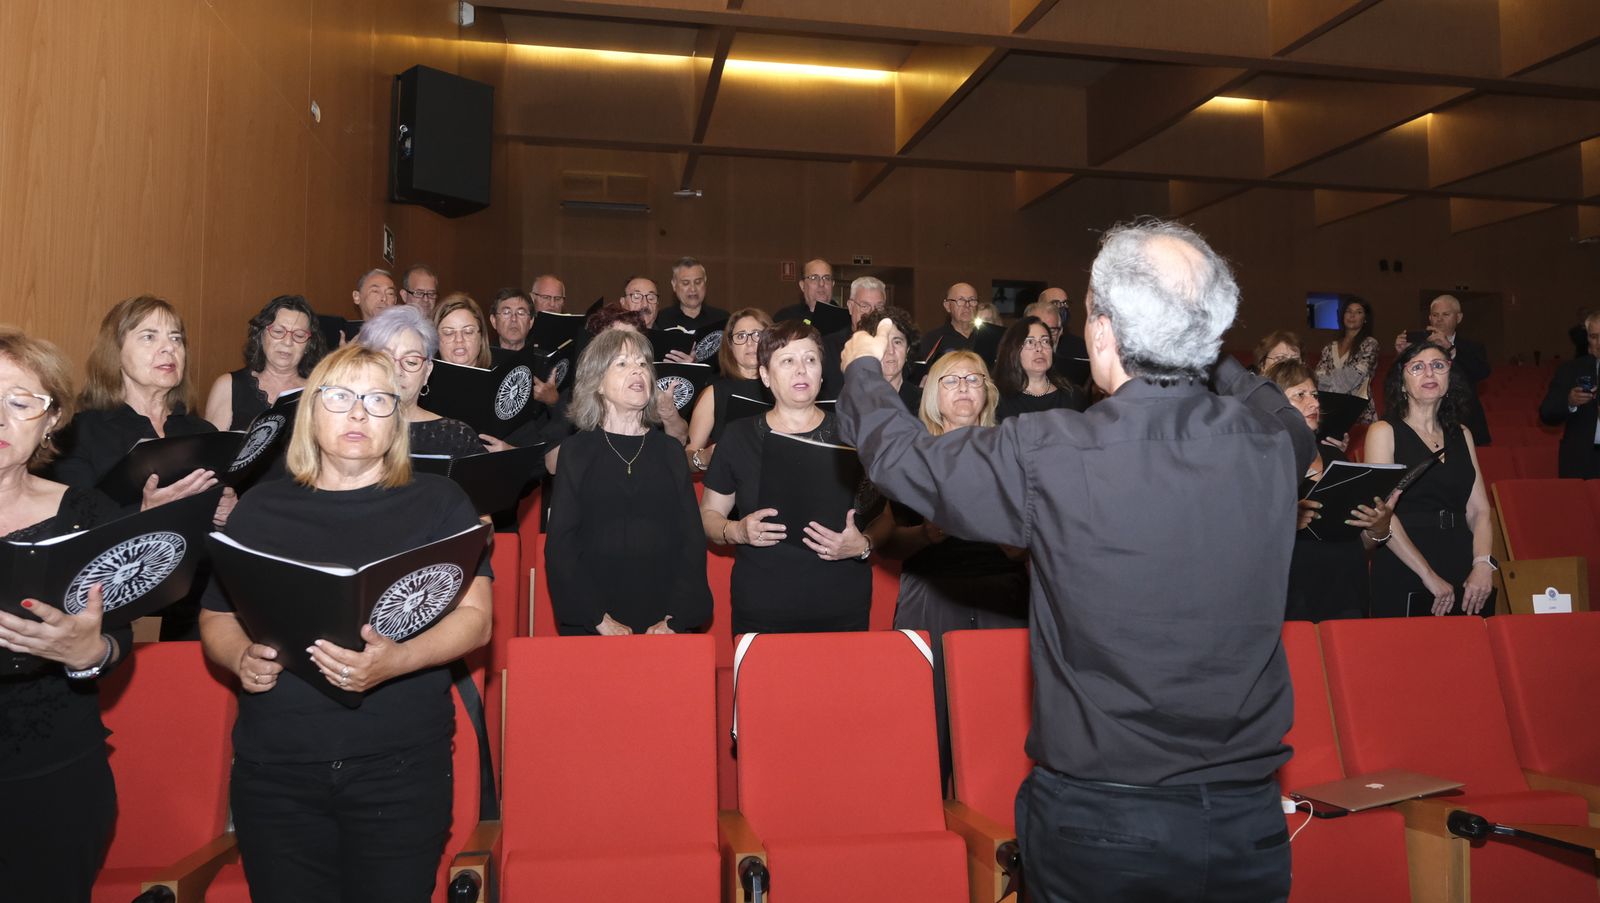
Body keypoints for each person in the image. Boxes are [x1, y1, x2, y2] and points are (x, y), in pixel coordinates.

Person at [838, 219, 1315, 902]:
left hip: (1105, 828)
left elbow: (903, 458)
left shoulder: (1053, 452)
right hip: (1246, 824)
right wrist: (1206, 349)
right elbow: (1283, 415)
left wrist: (861, 367)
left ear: (1101, 333)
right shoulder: (1272, 448)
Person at [199, 343, 493, 903]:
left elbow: (477, 621)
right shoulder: (261, 509)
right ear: (311, 412)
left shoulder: (441, 503)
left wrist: (396, 660)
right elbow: (217, 615)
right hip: (277, 768)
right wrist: (238, 655)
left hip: (401, 766)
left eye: (378, 400)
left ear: (397, 418)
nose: (359, 414)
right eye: (340, 397)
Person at [0, 328, 127, 903]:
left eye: (20, 401)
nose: (0, 418)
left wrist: (88, 654)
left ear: (51, 420)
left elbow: (116, 636)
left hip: (51, 778)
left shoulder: (86, 512)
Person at [865, 349, 1026, 784]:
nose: (963, 389)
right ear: (933, 394)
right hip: (932, 594)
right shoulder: (914, 456)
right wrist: (926, 536)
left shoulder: (1012, 453)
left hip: (1002, 597)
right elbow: (888, 543)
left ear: (988, 393)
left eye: (973, 380)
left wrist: (1011, 541)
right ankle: (928, 817)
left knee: (1000, 718)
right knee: (928, 718)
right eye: (951, 381)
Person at [701, 320, 872, 633]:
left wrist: (863, 545)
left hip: (842, 601)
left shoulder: (855, 434)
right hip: (764, 604)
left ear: (823, 371)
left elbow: (885, 518)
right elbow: (709, 515)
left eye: (810, 359)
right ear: (765, 375)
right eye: (787, 360)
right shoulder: (738, 437)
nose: (801, 370)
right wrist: (737, 530)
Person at [545, 329, 713, 635]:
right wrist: (597, 619)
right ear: (597, 383)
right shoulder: (576, 452)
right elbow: (561, 546)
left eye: (642, 364)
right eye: (622, 364)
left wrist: (675, 620)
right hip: (594, 619)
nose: (638, 370)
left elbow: (692, 542)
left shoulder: (670, 452)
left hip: (665, 618)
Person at [1365, 341, 1497, 618]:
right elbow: (1383, 514)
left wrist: (1483, 564)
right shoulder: (1384, 431)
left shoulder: (1462, 434)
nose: (1429, 373)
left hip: (1463, 562)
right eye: (1417, 367)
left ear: (1449, 376)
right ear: (1401, 382)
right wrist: (1427, 575)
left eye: (1438, 366)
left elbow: (1479, 510)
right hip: (1405, 562)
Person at [1268, 360, 1393, 622]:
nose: (1314, 403)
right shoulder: (1264, 462)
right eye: (1300, 395)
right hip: (1292, 596)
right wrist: (1287, 521)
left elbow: (1358, 542)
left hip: (1348, 591)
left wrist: (1378, 529)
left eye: (1314, 394)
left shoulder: (1337, 457)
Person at [356, 306, 483, 457]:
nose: (397, 371)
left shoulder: (457, 437)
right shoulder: (348, 427)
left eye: (411, 362)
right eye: (386, 360)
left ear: (427, 372)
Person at [205, 294, 326, 431]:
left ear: (309, 345)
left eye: (299, 335)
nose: (287, 342)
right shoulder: (228, 385)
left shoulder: (320, 392)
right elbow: (212, 449)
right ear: (261, 336)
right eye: (278, 332)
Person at [685, 307, 773, 473]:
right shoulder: (714, 393)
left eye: (757, 334)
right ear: (731, 346)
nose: (750, 343)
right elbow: (688, 457)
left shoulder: (783, 388)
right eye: (741, 336)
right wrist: (704, 457)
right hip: (729, 487)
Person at [1394, 294, 1491, 445]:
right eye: (1435, 315)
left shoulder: (1473, 347)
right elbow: (1400, 383)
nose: (1439, 319)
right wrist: (1402, 355)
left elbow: (1482, 372)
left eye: (1446, 314)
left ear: (1458, 318)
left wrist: (1451, 349)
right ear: (1430, 318)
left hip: (1464, 419)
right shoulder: (1417, 346)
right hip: (1425, 420)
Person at [1539, 310, 1600, 479]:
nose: (1599, 343)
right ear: (1587, 338)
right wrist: (1569, 401)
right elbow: (1546, 413)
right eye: (1594, 337)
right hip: (1583, 461)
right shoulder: (1571, 370)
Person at [993, 315, 1082, 421]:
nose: (1039, 348)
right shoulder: (998, 399)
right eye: (1030, 342)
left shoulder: (1072, 395)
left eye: (1045, 341)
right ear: (1013, 350)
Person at [819, 276, 888, 399]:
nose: (872, 313)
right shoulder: (827, 346)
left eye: (879, 307)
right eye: (864, 306)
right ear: (851, 307)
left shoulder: (892, 347)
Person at [1313, 296, 1379, 424]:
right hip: (1329, 410)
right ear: (1342, 315)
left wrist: (1330, 379)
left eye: (1358, 312)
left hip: (1359, 412)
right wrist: (1334, 382)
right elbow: (1318, 378)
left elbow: (1353, 378)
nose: (1352, 315)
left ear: (1365, 319)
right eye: (1349, 311)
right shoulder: (1329, 347)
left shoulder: (1370, 344)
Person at [1027, 290, 1089, 388]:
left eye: (1065, 303)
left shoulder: (1080, 350)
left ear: (1060, 332)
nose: (1043, 341)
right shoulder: (1010, 371)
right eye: (1055, 303)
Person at [655, 256, 730, 334]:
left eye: (698, 282)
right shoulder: (660, 319)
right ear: (674, 285)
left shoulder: (722, 319)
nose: (693, 289)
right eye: (686, 283)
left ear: (705, 282)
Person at [917, 282, 982, 361]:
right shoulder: (933, 340)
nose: (967, 305)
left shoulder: (986, 338)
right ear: (947, 306)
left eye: (972, 300)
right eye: (961, 300)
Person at [433, 293, 493, 370]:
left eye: (468, 332)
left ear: (481, 337)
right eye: (448, 333)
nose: (459, 340)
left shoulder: (502, 380)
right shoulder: (421, 381)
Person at [773, 258, 835, 324]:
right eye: (814, 278)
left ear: (833, 284)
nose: (821, 284)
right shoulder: (785, 318)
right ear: (802, 285)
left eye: (827, 278)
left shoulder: (845, 320)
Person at [488, 288, 533, 353]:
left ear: (531, 322)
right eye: (506, 312)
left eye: (520, 313)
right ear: (493, 321)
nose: (514, 319)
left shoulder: (544, 361)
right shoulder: (482, 360)